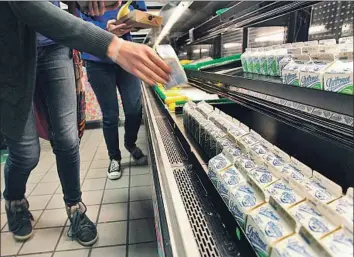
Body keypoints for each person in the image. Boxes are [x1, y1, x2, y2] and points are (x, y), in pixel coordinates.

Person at [0, 1, 170, 245]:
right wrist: (111, 45)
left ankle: (75, 207)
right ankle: (15, 200)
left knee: (68, 140)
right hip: (10, 51)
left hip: (56, 46)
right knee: (26, 153)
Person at [79, 1, 148, 180]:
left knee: (134, 109)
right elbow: (80, 21)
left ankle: (130, 144)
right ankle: (114, 157)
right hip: (97, 59)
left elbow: (144, 14)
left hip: (126, 54)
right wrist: (104, 30)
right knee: (110, 115)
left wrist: (132, 20)